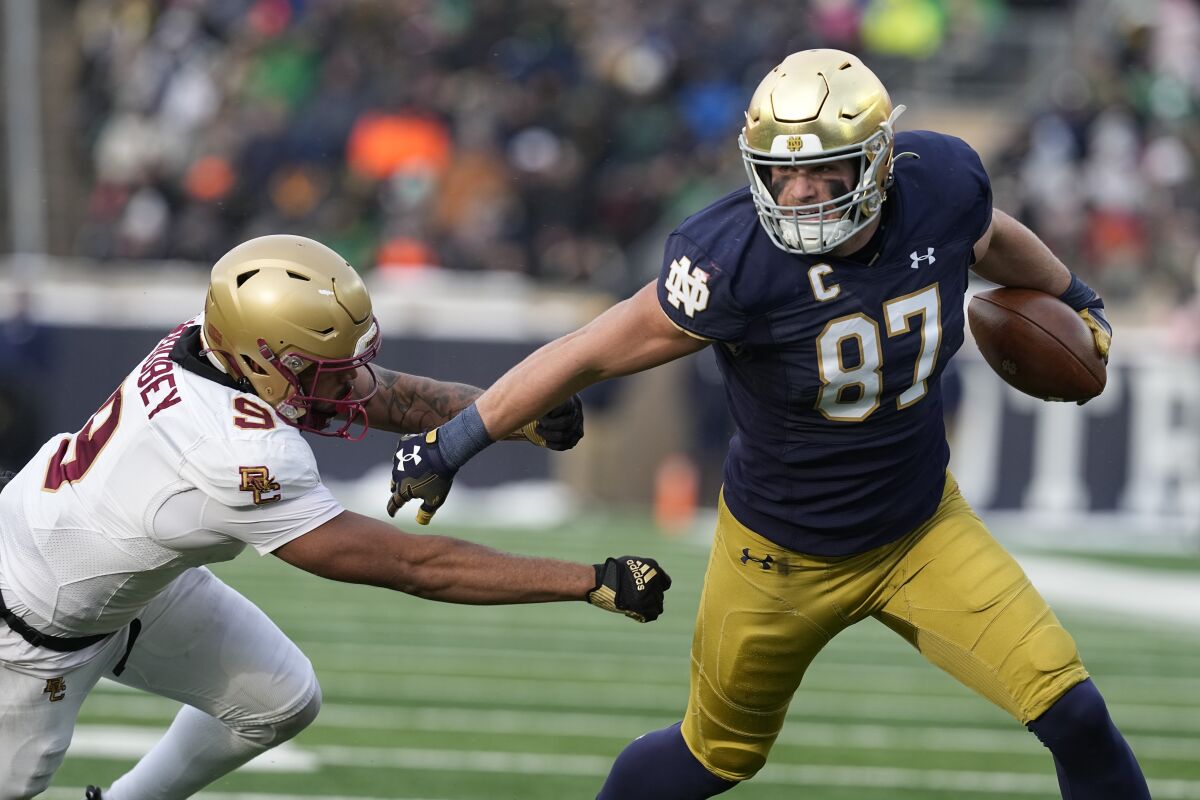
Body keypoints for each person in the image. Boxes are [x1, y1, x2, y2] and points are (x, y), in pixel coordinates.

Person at [386, 50, 1150, 799]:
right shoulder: (732, 260)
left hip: (921, 532)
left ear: (880, 161)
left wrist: (1073, 293)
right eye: (783, 172)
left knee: (1075, 713)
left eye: (827, 170)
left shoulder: (942, 185)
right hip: (776, 559)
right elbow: (590, 351)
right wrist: (453, 444)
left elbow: (989, 235)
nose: (802, 193)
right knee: (711, 760)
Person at [0, 234, 672, 800]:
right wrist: (588, 579)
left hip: (113, 575)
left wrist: (499, 414)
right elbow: (417, 566)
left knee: (279, 699)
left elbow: (381, 394)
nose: (346, 382)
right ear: (262, 357)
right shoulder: (238, 452)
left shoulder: (211, 346)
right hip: (30, 632)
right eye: (321, 369)